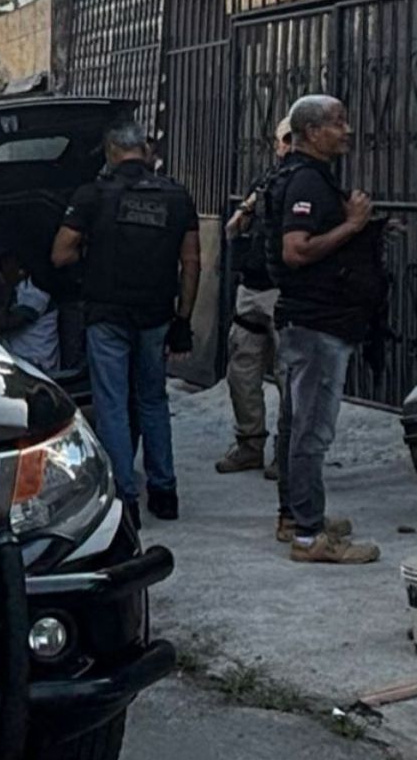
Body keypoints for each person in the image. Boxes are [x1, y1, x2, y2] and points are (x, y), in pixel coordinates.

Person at [52, 120, 201, 526]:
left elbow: (60, 254)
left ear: (112, 152)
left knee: (112, 403)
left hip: (107, 314)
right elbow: (191, 263)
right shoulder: (176, 196)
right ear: (145, 152)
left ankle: (125, 497)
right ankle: (165, 491)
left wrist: (93, 254)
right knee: (153, 400)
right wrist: (183, 319)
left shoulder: (92, 195)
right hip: (155, 314)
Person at [266, 95, 386, 565]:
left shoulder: (302, 176)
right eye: (338, 122)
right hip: (317, 324)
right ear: (312, 132)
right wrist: (354, 225)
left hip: (309, 320)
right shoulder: (305, 181)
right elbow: (297, 250)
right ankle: (309, 536)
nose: (348, 129)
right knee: (310, 433)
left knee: (296, 424)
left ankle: (295, 517)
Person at [216, 117, 293, 477]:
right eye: (285, 139)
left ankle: (286, 452)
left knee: (288, 375)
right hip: (252, 288)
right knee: (242, 369)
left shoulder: (310, 184)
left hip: (287, 291)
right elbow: (234, 227)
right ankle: (250, 444)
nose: (289, 146)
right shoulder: (265, 183)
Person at [0, 250, 60, 374]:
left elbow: (5, 324)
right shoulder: (16, 293)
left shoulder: (35, 295)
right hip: (18, 359)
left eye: (5, 269)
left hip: (37, 364)